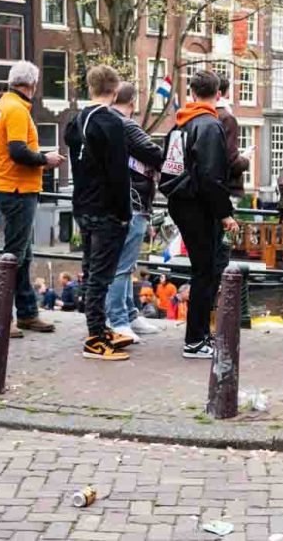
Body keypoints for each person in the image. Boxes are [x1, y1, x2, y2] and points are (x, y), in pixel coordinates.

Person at [160, 70, 239, 359]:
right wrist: (225, 214)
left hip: (181, 202)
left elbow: (169, 167)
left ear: (192, 92)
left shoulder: (180, 124)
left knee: (204, 269)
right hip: (199, 206)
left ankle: (200, 335)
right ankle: (195, 340)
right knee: (206, 272)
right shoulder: (209, 125)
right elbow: (211, 176)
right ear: (218, 95)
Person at [0, 61, 64, 336]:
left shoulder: (0, 107)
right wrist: (46, 159)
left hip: (10, 187)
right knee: (14, 257)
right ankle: (2, 318)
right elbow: (18, 151)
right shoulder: (17, 110)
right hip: (19, 190)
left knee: (23, 254)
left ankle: (27, 313)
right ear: (32, 85)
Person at [64, 64, 132, 360]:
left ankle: (100, 327)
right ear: (115, 91)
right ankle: (94, 337)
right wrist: (124, 212)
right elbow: (119, 173)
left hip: (82, 205)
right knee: (101, 275)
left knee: (92, 269)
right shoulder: (111, 123)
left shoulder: (74, 121)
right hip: (107, 209)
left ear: (90, 88)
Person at [103, 82, 165, 343]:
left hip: (117, 201)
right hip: (134, 202)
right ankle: (117, 319)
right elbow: (155, 154)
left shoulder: (105, 122)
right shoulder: (126, 125)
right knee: (122, 265)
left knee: (125, 264)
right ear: (132, 103)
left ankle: (129, 313)